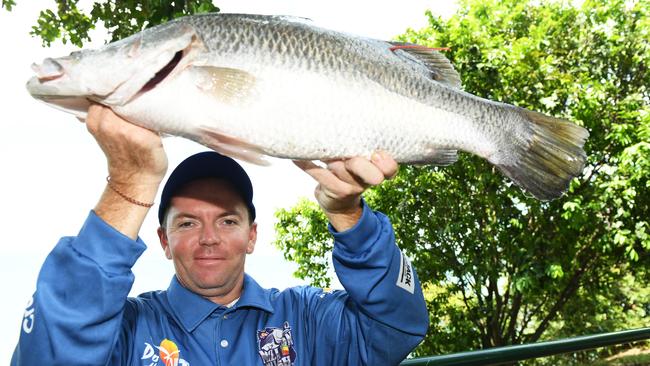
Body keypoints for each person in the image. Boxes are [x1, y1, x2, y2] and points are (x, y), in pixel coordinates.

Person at [12, 105, 428, 365]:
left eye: (227, 221)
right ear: (163, 240)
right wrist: (132, 181)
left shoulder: (307, 317)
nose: (209, 237)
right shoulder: (128, 329)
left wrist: (347, 215)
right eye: (188, 223)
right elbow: (49, 351)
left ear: (252, 236)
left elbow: (398, 326)